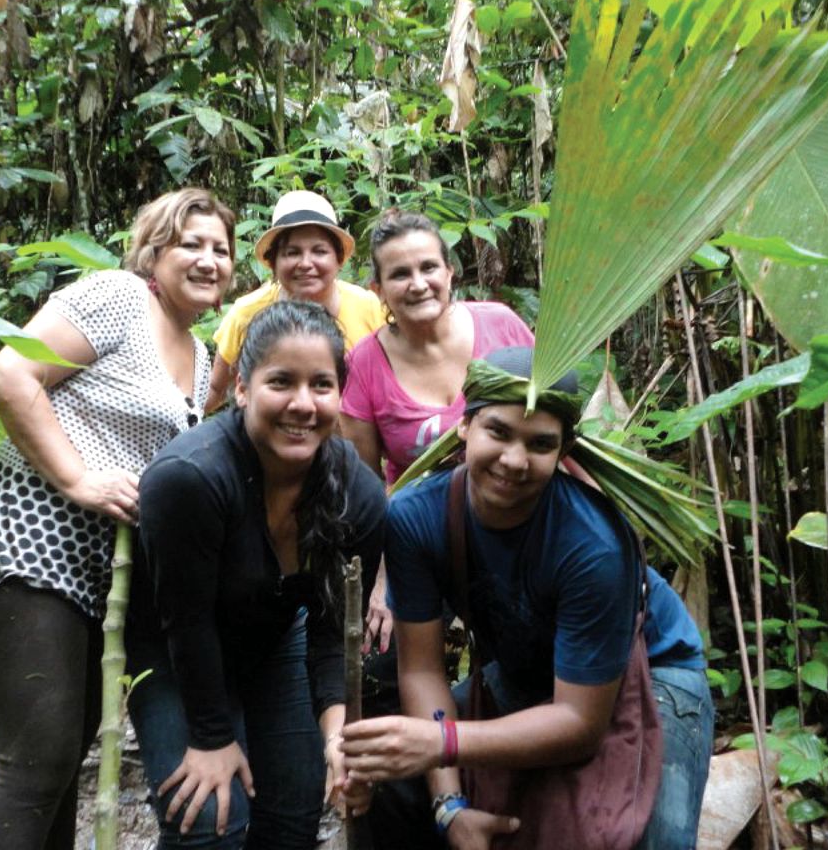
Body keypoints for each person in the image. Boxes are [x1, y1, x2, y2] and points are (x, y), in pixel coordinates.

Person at [0, 188, 235, 849]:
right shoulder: (115, 298)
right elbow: (12, 376)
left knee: (58, 762)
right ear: (153, 252)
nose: (207, 259)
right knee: (34, 764)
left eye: (219, 249)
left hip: (92, 578)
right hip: (25, 547)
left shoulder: (196, 357)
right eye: (190, 243)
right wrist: (77, 478)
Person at [340, 347, 713, 850]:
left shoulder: (592, 545)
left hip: (650, 671)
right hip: (526, 668)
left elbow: (579, 723)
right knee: (399, 789)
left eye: (539, 444)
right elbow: (422, 670)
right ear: (464, 427)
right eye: (498, 431)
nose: (514, 461)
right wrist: (449, 806)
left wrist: (442, 742)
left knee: (652, 838)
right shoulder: (415, 517)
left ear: (563, 453)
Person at [126, 300, 388, 849]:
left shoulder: (357, 492)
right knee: (210, 821)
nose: (302, 404)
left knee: (294, 815)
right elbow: (185, 622)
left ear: (340, 395)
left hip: (273, 641)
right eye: (280, 382)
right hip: (175, 652)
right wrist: (213, 737)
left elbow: (330, 630)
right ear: (242, 387)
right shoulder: (190, 479)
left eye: (321, 385)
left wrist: (339, 739)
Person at [340, 212, 533, 654]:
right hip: (424, 535)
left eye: (428, 268)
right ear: (378, 290)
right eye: (399, 274)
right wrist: (381, 582)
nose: (418, 283)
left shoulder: (501, 325)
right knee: (381, 662)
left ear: (449, 272)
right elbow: (368, 489)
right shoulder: (365, 365)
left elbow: (553, 428)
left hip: (520, 517)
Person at [204, 190, 383, 414]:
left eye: (319, 251)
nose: (305, 263)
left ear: (338, 259)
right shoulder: (247, 313)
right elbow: (215, 389)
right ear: (273, 262)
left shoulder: (370, 307)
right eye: (292, 253)